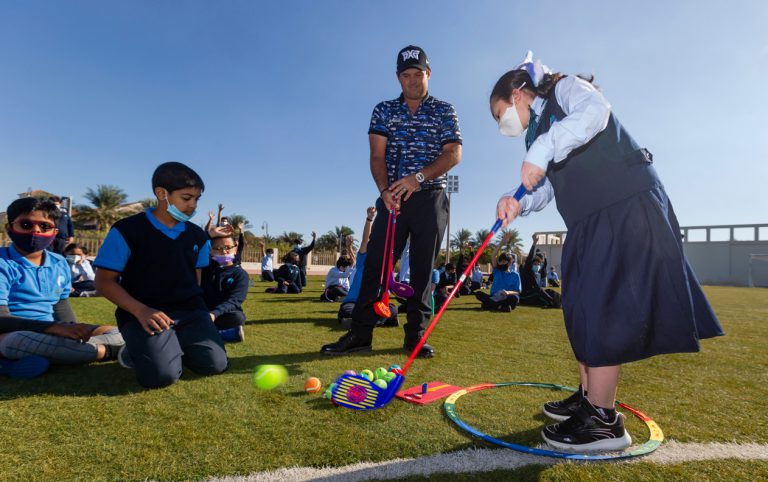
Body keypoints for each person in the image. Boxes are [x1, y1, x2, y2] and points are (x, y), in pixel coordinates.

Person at [491, 51, 724, 451]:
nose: (503, 126)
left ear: (517, 94)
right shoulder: (540, 137)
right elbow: (549, 186)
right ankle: (587, 399)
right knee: (579, 307)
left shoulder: (565, 91)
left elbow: (596, 111)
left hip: (623, 206)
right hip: (588, 220)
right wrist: (519, 203)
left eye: (500, 115)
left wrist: (542, 148)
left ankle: (604, 420)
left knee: (600, 306)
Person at [321, 44, 462, 358]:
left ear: (429, 74)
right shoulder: (384, 109)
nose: (412, 81)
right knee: (375, 266)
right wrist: (385, 192)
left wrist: (418, 178)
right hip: (392, 198)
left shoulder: (444, 109)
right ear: (399, 78)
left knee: (424, 271)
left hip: (431, 197)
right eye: (406, 75)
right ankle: (360, 335)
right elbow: (377, 155)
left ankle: (415, 338)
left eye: (418, 74)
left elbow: (453, 153)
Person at [94, 162, 228, 389]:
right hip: (142, 314)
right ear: (161, 193)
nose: (192, 206)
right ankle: (139, 349)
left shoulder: (198, 236)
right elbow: (104, 282)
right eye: (186, 198)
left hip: (190, 312)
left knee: (214, 365)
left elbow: (195, 279)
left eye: (197, 199)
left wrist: (199, 315)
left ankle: (169, 346)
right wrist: (141, 311)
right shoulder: (127, 230)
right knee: (161, 376)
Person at [0, 198, 124, 377]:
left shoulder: (59, 262)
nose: (36, 231)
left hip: (52, 333)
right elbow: (2, 319)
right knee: (19, 342)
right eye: (26, 224)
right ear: (9, 228)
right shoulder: (3, 262)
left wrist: (72, 330)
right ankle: (108, 352)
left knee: (123, 333)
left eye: (45, 226)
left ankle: (58, 354)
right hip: (12, 333)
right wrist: (53, 328)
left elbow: (60, 304)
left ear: (54, 232)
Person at [338, 207, 398, 328]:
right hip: (354, 302)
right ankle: (376, 321)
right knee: (347, 310)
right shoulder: (363, 259)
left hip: (374, 305)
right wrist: (369, 219)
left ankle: (362, 321)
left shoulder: (385, 268)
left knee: (393, 308)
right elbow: (365, 240)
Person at [202, 229, 249, 343]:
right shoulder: (205, 268)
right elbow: (195, 244)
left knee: (238, 317)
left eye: (228, 247)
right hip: (203, 310)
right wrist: (208, 234)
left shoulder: (240, 274)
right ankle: (225, 334)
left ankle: (214, 332)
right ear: (211, 251)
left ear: (235, 248)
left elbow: (234, 300)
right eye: (218, 248)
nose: (224, 252)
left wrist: (214, 314)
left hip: (222, 313)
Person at [474, 233, 521, 311]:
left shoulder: (515, 275)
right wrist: (501, 243)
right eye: (500, 261)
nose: (502, 263)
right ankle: (501, 307)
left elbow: (517, 291)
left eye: (504, 261)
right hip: (494, 297)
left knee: (515, 298)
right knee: (478, 294)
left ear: (509, 263)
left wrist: (508, 292)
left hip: (507, 296)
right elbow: (493, 256)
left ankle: (490, 305)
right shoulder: (497, 271)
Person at [520, 233, 560, 308]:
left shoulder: (535, 273)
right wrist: (534, 243)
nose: (536, 265)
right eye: (535, 264)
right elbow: (530, 256)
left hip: (532, 294)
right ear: (531, 264)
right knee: (538, 290)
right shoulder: (526, 270)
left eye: (538, 264)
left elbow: (535, 286)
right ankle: (552, 302)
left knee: (549, 291)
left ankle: (560, 301)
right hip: (524, 296)